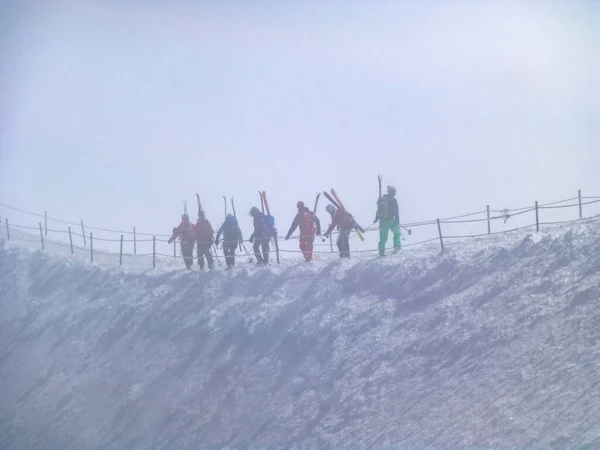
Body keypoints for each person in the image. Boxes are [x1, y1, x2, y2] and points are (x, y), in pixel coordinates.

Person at [375, 185, 401, 256]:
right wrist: (397, 220)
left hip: (383, 221)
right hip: (391, 220)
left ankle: (381, 251)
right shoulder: (394, 200)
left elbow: (379, 209)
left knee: (383, 237)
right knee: (397, 232)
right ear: (393, 192)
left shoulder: (383, 199)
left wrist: (376, 218)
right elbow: (396, 211)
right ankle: (397, 247)